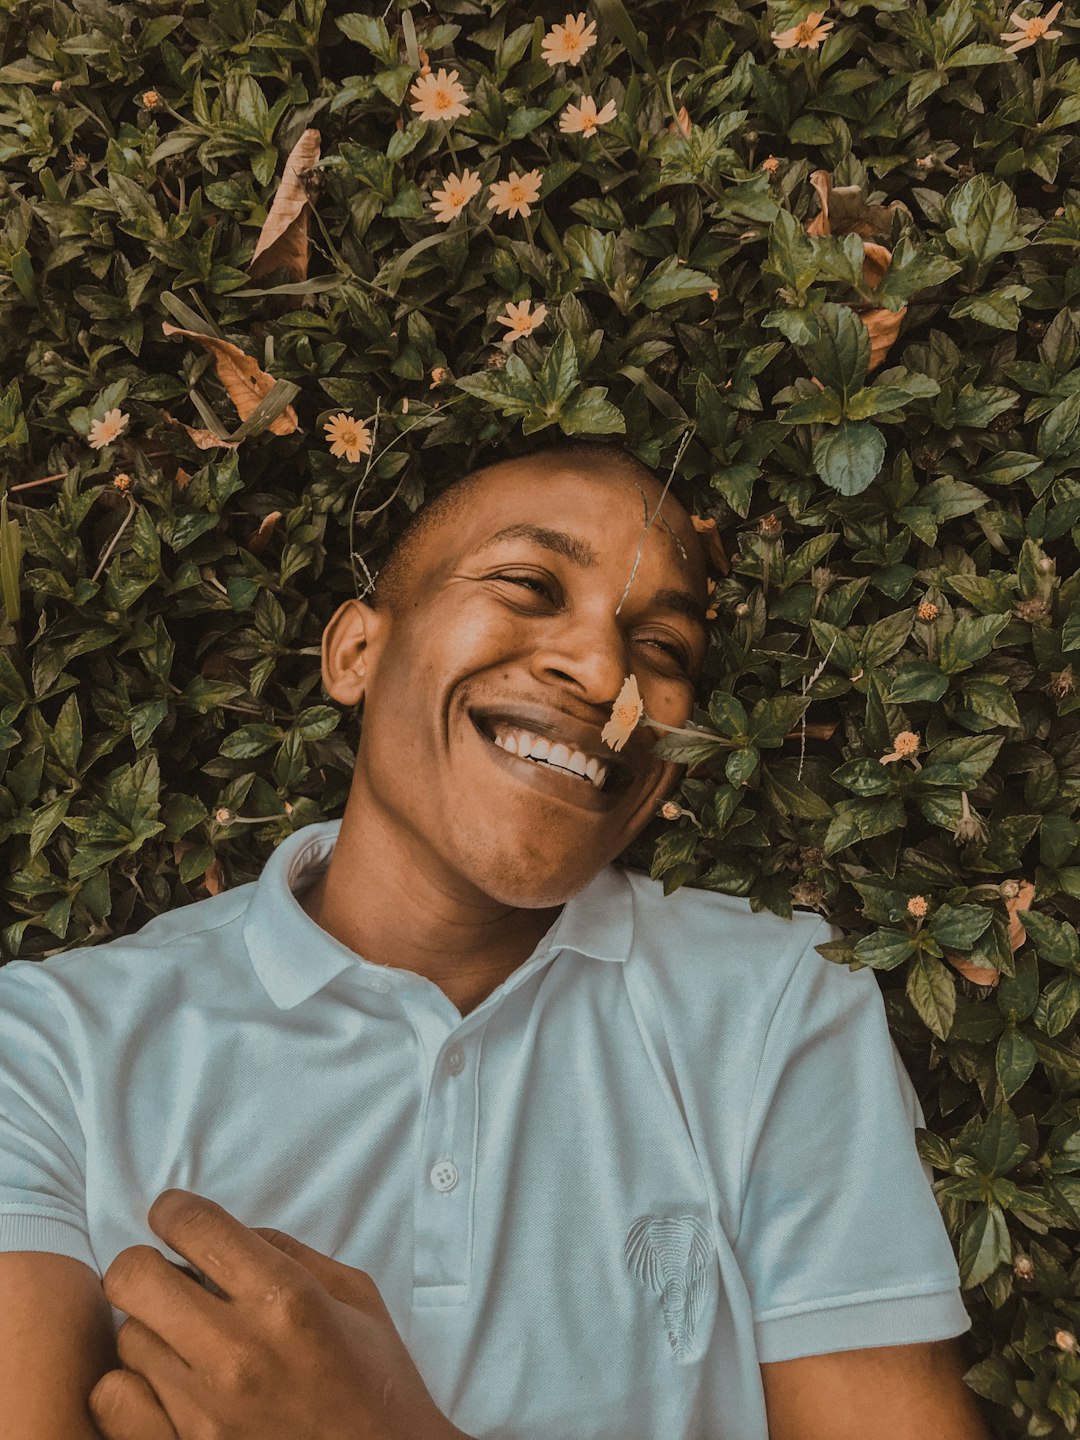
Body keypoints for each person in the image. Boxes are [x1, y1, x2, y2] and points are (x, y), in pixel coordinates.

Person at [0, 441, 991, 1440]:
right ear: (356, 652)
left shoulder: (775, 999)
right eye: (528, 585)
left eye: (664, 652)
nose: (604, 670)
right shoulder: (46, 1051)